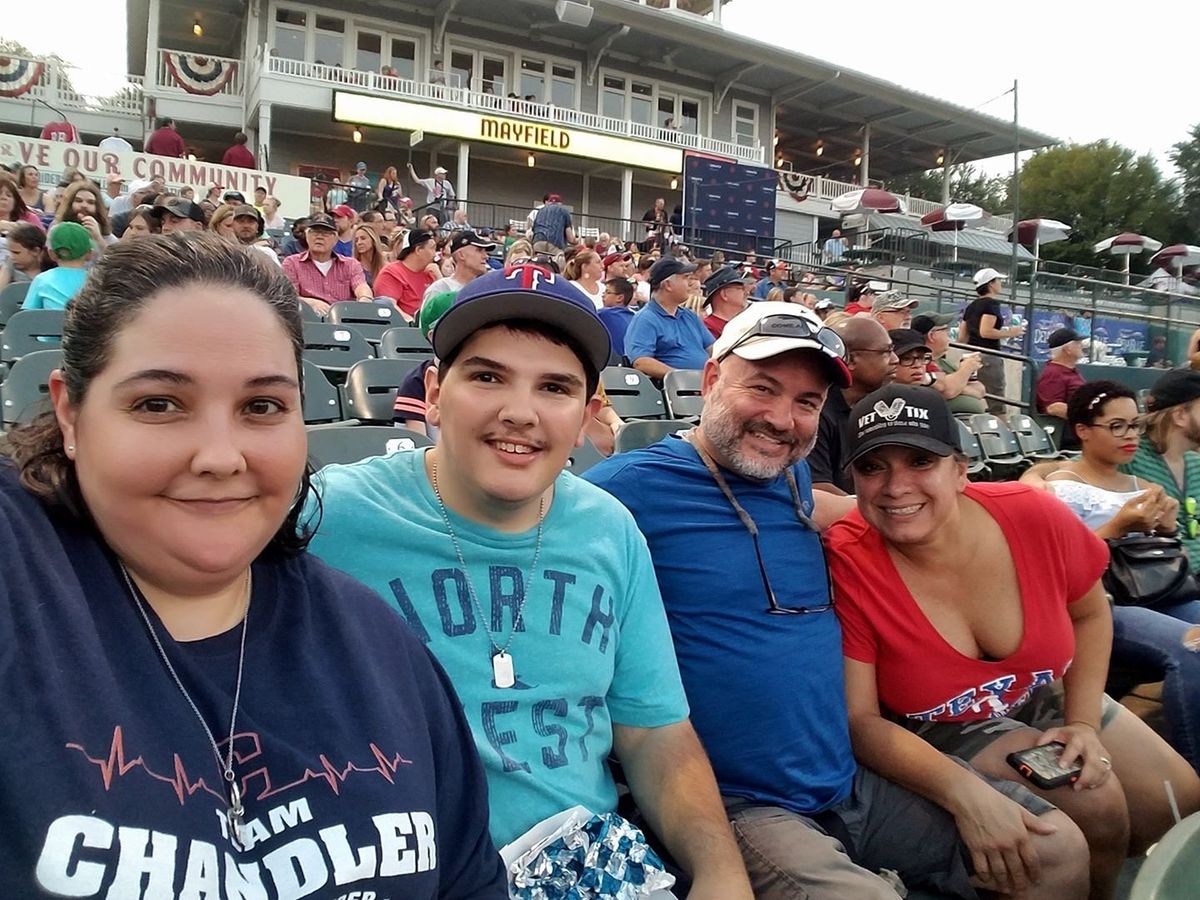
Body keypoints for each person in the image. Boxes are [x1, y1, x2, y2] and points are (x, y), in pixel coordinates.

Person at [0, 233, 508, 897]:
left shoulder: (380, 647)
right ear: (70, 412)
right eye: (158, 404)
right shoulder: (19, 572)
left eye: (261, 407)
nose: (220, 457)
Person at [586, 304, 1086, 900]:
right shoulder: (626, 490)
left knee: (1056, 848)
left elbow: (866, 511)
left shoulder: (791, 480)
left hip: (846, 779)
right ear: (713, 379)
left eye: (807, 402)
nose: (782, 419)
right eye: (762, 389)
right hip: (739, 803)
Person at [306, 264, 756, 896]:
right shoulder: (328, 515)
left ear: (587, 415)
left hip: (584, 866)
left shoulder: (610, 529)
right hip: (399, 871)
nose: (520, 413)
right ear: (434, 393)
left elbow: (654, 732)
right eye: (487, 377)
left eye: (554, 387)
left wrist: (721, 873)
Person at [830, 383, 1200, 898]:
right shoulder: (847, 559)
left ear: (961, 470)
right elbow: (861, 720)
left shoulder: (1031, 514)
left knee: (1176, 799)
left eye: (921, 460)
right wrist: (962, 793)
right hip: (937, 722)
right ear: (853, 480)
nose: (896, 486)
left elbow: (1090, 613)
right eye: (873, 467)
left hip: (1036, 688)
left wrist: (1082, 723)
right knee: (1098, 806)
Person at [1019, 381, 1200, 774]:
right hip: (1101, 604)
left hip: (1158, 591)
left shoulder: (1145, 487)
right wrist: (1117, 527)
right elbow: (1056, 568)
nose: (1130, 436)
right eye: (1116, 426)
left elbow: (1172, 558)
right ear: (1083, 430)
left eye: (1134, 425)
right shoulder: (1059, 487)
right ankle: (1192, 774)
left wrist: (1168, 529)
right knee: (1193, 649)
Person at [1120, 368, 1200, 572]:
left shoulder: (1195, 462)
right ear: (1180, 415)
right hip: (1159, 580)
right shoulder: (1128, 457)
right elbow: (1073, 468)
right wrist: (1040, 476)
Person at [808, 316, 897, 494]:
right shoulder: (818, 412)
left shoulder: (875, 405)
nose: (895, 359)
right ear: (850, 360)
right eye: (886, 352)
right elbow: (817, 489)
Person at [623, 257, 712, 379]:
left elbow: (714, 349)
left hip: (702, 385)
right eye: (685, 277)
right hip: (675, 388)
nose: (690, 283)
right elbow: (641, 362)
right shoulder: (645, 319)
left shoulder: (690, 316)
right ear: (668, 285)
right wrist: (681, 378)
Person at [961, 268, 1026, 414]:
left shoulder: (971, 306)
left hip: (970, 356)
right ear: (991, 284)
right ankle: (1000, 427)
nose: (1000, 283)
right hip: (988, 356)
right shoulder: (991, 304)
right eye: (998, 280)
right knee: (996, 402)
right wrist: (1011, 332)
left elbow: (962, 337)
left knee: (974, 398)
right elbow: (986, 332)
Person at [280, 212, 372, 315]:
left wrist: (365, 298)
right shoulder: (292, 263)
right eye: (315, 232)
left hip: (343, 317)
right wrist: (312, 303)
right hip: (308, 318)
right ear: (307, 235)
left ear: (336, 238)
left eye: (325, 233)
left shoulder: (350, 264)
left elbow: (360, 285)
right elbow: (290, 297)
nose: (319, 237)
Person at [911, 312, 986, 415]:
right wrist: (966, 368)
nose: (948, 334)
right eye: (945, 330)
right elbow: (948, 391)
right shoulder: (921, 363)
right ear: (931, 335)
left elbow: (980, 391)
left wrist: (957, 386)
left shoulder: (943, 362)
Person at [1036, 327, 1087, 450]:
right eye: (1077, 343)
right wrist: (1089, 417)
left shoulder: (1070, 371)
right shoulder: (1053, 373)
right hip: (1068, 435)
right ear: (1067, 349)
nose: (1081, 345)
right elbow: (1053, 407)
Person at [22, 223, 92, 310]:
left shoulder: (41, 280)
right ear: (90, 254)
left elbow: (27, 315)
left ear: (51, 254)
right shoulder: (97, 282)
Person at [374, 229, 438, 319]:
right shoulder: (392, 273)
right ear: (418, 250)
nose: (435, 254)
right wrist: (412, 323)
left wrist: (439, 278)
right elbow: (388, 306)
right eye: (432, 248)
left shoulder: (432, 273)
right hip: (404, 326)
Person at [424, 231, 496, 301]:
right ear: (461, 255)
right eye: (479, 250)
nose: (486, 256)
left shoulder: (488, 289)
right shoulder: (440, 289)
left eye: (485, 251)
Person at [55, 181, 113, 250]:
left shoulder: (108, 238)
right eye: (78, 201)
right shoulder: (56, 231)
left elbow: (112, 255)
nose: (84, 205)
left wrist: (98, 238)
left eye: (90, 202)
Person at [701, 266, 753, 338]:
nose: (746, 293)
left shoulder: (743, 324)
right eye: (740, 288)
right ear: (724, 294)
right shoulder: (707, 329)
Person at [0, 222, 52, 292]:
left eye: (16, 252)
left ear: (35, 251)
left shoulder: (51, 269)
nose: (11, 257)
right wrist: (6, 271)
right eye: (10, 252)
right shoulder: (9, 265)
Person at [597, 276, 635, 356]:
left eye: (608, 292)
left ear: (620, 298)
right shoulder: (633, 317)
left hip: (612, 361)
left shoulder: (605, 313)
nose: (603, 295)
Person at [352, 224, 388, 288]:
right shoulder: (352, 267)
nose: (359, 242)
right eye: (356, 240)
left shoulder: (385, 267)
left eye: (363, 238)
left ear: (373, 240)